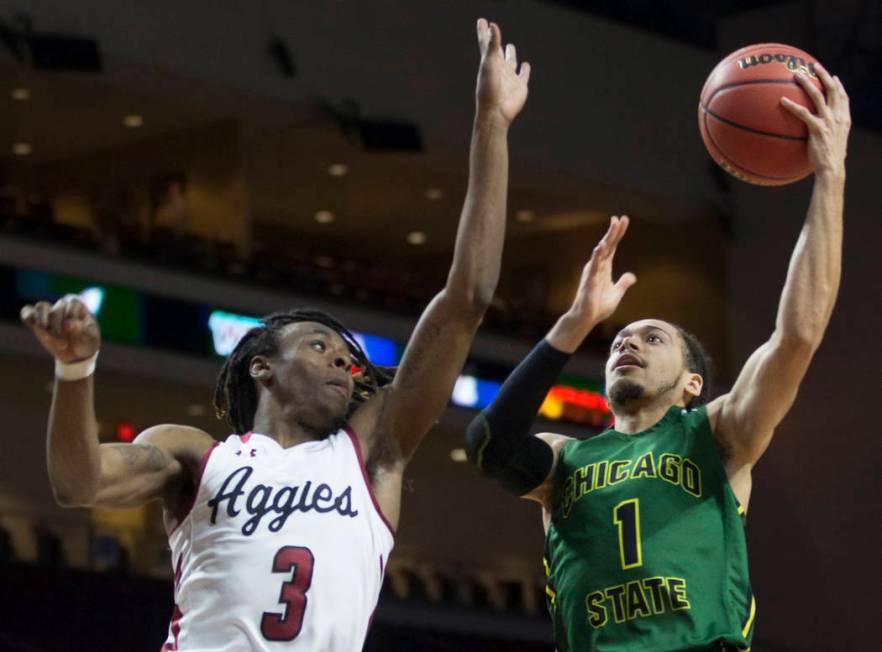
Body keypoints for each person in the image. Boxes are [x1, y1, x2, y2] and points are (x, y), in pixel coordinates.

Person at [20, 19, 530, 651]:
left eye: (349, 359)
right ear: (262, 367)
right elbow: (76, 484)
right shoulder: (194, 456)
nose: (345, 364)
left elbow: (467, 299)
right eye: (321, 347)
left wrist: (492, 126)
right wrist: (76, 372)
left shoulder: (372, 453)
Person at [465, 64, 850, 650]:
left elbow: (796, 336)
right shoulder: (564, 459)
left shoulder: (717, 434)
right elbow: (488, 447)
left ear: (693, 383)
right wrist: (570, 328)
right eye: (621, 337)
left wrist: (831, 175)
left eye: (653, 337)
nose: (628, 341)